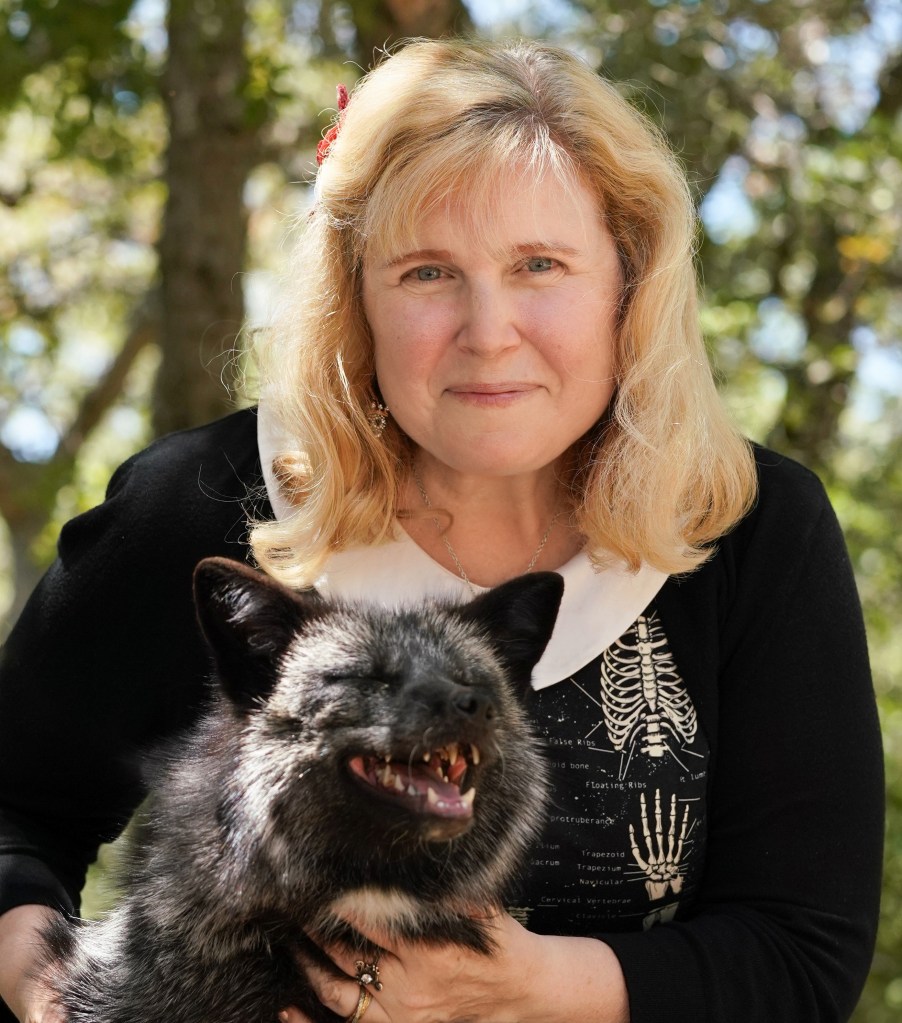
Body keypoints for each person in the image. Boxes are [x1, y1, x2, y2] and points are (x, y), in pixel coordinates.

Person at [0, 37, 884, 1023]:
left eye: (539, 264)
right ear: (356, 295)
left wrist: (531, 986)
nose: (488, 331)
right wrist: (55, 999)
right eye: (427, 272)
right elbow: (15, 810)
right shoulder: (200, 504)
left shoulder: (749, 529)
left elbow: (802, 953)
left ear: (629, 284)